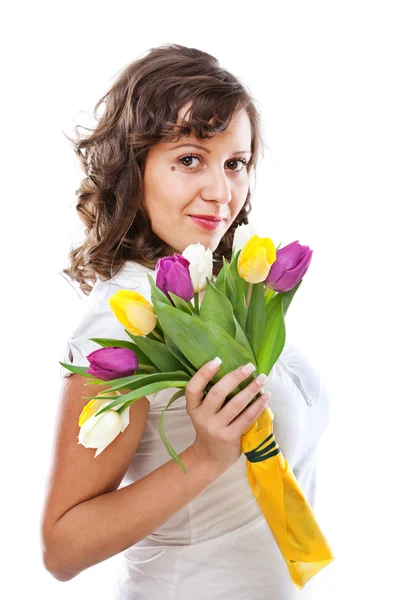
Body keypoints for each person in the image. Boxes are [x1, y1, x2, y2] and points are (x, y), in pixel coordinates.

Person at [40, 43, 331, 599]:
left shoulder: (214, 291)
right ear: (135, 167)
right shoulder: (125, 317)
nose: (221, 193)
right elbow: (62, 547)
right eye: (190, 159)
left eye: (235, 163)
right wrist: (203, 457)